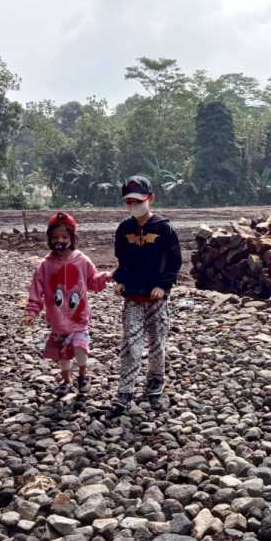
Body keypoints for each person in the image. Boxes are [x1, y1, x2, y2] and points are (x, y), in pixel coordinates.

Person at [110, 175, 182, 414]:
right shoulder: (124, 229)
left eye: (138, 201)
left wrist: (163, 285)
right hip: (132, 296)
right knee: (131, 343)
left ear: (150, 198)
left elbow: (174, 261)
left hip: (156, 297)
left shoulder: (164, 228)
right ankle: (125, 389)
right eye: (129, 202)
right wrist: (121, 279)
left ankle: (156, 377)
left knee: (157, 340)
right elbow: (122, 259)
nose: (133, 205)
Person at [23, 212, 111, 396]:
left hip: (79, 317)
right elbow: (36, 290)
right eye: (55, 237)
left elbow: (93, 281)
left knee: (80, 348)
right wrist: (31, 311)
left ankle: (82, 375)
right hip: (58, 321)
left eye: (64, 236)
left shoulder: (82, 260)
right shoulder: (45, 265)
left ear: (72, 237)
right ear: (49, 239)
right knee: (63, 354)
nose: (60, 241)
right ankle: (66, 380)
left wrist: (108, 276)